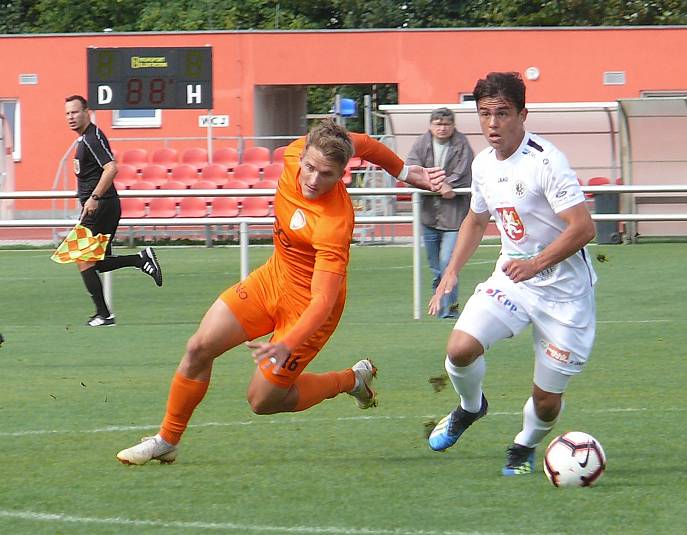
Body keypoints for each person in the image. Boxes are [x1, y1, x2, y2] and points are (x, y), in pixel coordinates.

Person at [117, 119, 447, 465]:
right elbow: (362, 141)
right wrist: (404, 170)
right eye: (310, 168)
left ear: (342, 175)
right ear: (301, 155)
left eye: (327, 175)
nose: (314, 180)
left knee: (263, 401)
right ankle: (167, 440)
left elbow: (323, 300)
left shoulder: (334, 223)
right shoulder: (293, 153)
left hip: (310, 310)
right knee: (199, 347)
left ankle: (351, 379)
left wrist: (286, 343)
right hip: (273, 279)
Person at [426, 72, 597, 476]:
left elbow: (583, 227)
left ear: (523, 114)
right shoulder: (484, 164)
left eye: (502, 113)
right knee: (460, 348)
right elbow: (475, 218)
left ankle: (524, 445)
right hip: (512, 282)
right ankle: (470, 408)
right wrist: (451, 272)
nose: (492, 123)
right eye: (484, 114)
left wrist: (536, 264)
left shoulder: (546, 162)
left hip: (565, 297)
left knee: (546, 400)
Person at [64, 95, 163, 327]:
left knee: (82, 259)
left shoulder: (91, 138)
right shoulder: (86, 139)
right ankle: (140, 259)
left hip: (101, 205)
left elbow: (111, 168)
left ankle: (104, 314)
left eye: (75, 112)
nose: (70, 117)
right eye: (67, 113)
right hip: (103, 205)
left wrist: (94, 198)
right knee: (96, 262)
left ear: (86, 112)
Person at [405, 108, 474, 319]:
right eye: (438, 124)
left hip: (454, 217)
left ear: (453, 126)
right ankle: (440, 293)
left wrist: (447, 185)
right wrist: (434, 185)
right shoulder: (421, 143)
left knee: (448, 263)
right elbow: (410, 167)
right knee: (436, 268)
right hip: (429, 216)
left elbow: (464, 171)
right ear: (430, 125)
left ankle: (450, 310)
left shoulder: (462, 144)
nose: (442, 128)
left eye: (446, 124)